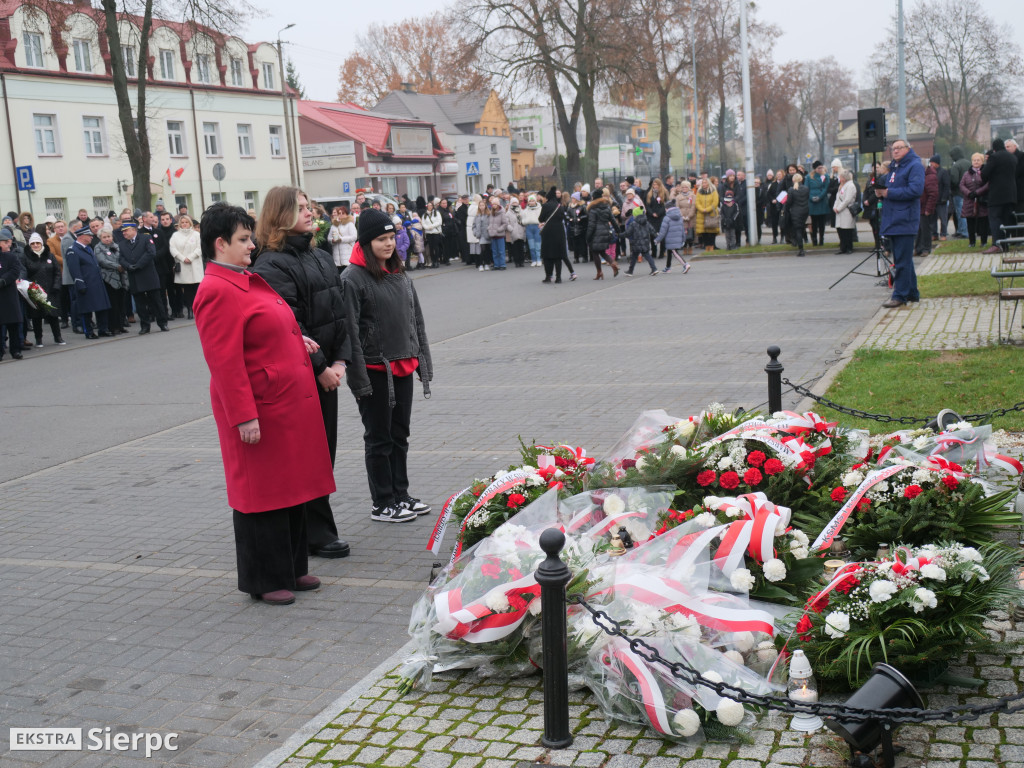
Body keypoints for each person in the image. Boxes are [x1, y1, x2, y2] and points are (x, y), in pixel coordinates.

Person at [193, 203, 334, 606]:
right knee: (262, 495)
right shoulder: (217, 289)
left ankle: (290, 567)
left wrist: (295, 340)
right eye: (243, 239)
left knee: (289, 488)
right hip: (259, 407)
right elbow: (224, 361)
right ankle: (263, 577)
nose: (251, 245)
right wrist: (244, 416)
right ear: (220, 244)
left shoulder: (243, 279)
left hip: (282, 404)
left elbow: (265, 330)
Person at [251, 186, 352, 560]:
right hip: (301, 377)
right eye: (302, 208)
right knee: (308, 454)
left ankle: (313, 527)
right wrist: (322, 367)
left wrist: (341, 362)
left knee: (324, 452)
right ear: (281, 215)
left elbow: (340, 314)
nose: (311, 213)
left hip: (328, 373)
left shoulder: (318, 254)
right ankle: (315, 533)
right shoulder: (271, 264)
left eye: (310, 207)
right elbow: (290, 327)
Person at [339, 208, 433, 523]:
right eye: (381, 239)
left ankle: (401, 495)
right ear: (366, 242)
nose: (389, 244)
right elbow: (350, 331)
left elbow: (415, 320)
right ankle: (383, 501)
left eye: (391, 237)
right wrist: (359, 380)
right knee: (378, 438)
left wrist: (423, 364)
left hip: (402, 368)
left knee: (399, 435)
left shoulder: (400, 274)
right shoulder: (352, 278)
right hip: (376, 373)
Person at [877, 139, 925, 307]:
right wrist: (880, 192)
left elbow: (915, 190)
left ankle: (899, 295)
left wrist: (889, 193)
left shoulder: (914, 166)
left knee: (902, 261)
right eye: (893, 148)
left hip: (905, 219)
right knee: (904, 259)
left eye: (899, 148)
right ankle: (912, 293)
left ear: (908, 148)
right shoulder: (895, 167)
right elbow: (889, 188)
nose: (895, 151)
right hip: (893, 219)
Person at [118, 220, 168, 334]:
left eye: (126, 231)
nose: (124, 233)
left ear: (133, 230)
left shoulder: (145, 238)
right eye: (123, 231)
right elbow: (121, 259)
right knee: (140, 304)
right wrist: (128, 266)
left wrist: (138, 265)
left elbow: (151, 252)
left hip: (148, 274)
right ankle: (145, 326)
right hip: (134, 276)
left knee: (156, 301)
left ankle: (162, 323)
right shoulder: (121, 244)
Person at [66, 221, 112, 337]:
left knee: (101, 307)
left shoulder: (88, 248)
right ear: (82, 236)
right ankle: (89, 331)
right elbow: (74, 270)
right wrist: (80, 284)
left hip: (96, 283)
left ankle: (103, 329)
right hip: (86, 284)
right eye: (89, 235)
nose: (92, 237)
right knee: (86, 310)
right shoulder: (73, 250)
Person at [22, 232, 63, 346]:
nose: (35, 245)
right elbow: (24, 273)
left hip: (50, 290)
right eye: (33, 243)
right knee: (37, 317)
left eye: (38, 243)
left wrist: (56, 285)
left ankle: (58, 337)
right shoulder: (26, 257)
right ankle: (38, 339)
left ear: (41, 243)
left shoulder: (49, 255)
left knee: (53, 315)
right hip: (35, 291)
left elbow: (57, 272)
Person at [980, 137, 1018, 254]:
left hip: (997, 195)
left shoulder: (994, 157)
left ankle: (997, 244)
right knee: (1006, 219)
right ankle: (1005, 245)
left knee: (995, 218)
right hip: (1011, 194)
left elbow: (984, 174)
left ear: (994, 148)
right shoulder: (1012, 157)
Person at [92, 227, 128, 335]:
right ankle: (113, 326)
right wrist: (117, 266)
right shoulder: (98, 248)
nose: (107, 239)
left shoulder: (116, 246)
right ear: (100, 238)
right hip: (108, 278)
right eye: (104, 237)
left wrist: (122, 265)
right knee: (113, 304)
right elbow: (102, 261)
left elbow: (123, 257)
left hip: (121, 277)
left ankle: (121, 325)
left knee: (121, 302)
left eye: (109, 236)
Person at [170, 214, 204, 319]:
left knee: (197, 288)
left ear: (190, 223)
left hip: (195, 264)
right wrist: (183, 258)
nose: (184, 224)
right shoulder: (175, 235)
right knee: (187, 289)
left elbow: (200, 248)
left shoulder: (196, 235)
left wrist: (191, 257)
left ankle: (199, 309)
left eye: (186, 222)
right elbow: (173, 249)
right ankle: (190, 309)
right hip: (183, 264)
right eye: (182, 222)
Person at [0, 229, 24, 359]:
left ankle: (15, 350)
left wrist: (4, 280)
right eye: (5, 242)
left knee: (13, 324)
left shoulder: (11, 256)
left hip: (9, 294)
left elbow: (15, 270)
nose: (8, 244)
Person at [959, 152, 990, 249]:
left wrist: (978, 192)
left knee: (983, 222)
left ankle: (983, 241)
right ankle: (972, 242)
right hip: (969, 201)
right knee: (970, 223)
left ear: (982, 161)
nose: (976, 162)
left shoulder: (985, 172)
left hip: (982, 200)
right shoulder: (966, 173)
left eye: (978, 160)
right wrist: (969, 193)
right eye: (974, 160)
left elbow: (988, 184)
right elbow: (961, 185)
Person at [585, 190, 617, 279]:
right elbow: (613, 220)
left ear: (594, 198)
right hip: (605, 231)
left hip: (596, 233)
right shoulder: (606, 207)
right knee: (602, 252)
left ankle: (599, 272)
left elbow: (591, 224)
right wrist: (618, 230)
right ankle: (613, 263)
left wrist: (588, 236)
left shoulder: (592, 209)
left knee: (595, 252)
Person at [539, 187, 568, 283]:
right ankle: (558, 277)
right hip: (559, 232)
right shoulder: (560, 206)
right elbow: (563, 217)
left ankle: (548, 276)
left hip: (548, 232)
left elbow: (541, 219)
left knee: (547, 255)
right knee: (558, 256)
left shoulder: (545, 206)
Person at [656, 202, 691, 273]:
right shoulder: (679, 216)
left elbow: (663, 231)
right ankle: (668, 267)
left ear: (667, 209)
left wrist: (657, 240)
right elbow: (682, 229)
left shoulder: (667, 218)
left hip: (670, 239)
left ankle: (685, 264)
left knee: (675, 252)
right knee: (669, 252)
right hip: (678, 238)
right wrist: (683, 238)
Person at [624, 205, 658, 276]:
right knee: (647, 255)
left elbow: (628, 233)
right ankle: (654, 268)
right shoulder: (646, 222)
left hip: (636, 243)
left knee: (634, 257)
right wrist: (657, 237)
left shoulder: (633, 223)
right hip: (645, 242)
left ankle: (630, 271)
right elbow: (652, 230)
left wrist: (620, 235)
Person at [916, 157, 939, 257]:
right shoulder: (921, 175)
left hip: (925, 208)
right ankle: (918, 248)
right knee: (918, 230)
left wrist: (928, 209)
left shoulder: (930, 177)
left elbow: (933, 194)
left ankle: (926, 248)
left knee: (925, 229)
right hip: (919, 207)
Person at [833, 170, 858, 255]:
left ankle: (849, 247)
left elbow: (847, 199)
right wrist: (835, 207)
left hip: (846, 210)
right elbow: (838, 198)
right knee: (841, 230)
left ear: (844, 178)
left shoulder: (850, 186)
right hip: (840, 211)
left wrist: (839, 208)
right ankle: (843, 247)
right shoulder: (842, 186)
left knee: (847, 230)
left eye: (840, 177)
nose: (839, 179)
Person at [785, 173, 810, 257]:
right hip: (805, 211)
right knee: (802, 228)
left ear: (793, 180)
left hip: (796, 211)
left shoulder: (791, 189)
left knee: (798, 230)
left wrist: (786, 209)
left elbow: (789, 202)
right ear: (801, 179)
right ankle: (800, 245)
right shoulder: (806, 188)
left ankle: (801, 249)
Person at [949, 146, 971, 238]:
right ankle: (961, 230)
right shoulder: (969, 163)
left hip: (958, 193)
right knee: (965, 212)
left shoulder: (956, 165)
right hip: (968, 192)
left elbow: (954, 180)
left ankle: (963, 232)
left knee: (960, 212)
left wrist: (952, 188)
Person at [807, 161, 830, 247]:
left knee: (821, 222)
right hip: (812, 203)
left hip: (822, 202)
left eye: (821, 167)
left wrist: (819, 197)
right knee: (813, 223)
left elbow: (825, 188)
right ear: (815, 169)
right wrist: (811, 197)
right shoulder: (809, 177)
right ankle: (814, 239)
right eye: (818, 168)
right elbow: (807, 189)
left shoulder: (825, 176)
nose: (820, 169)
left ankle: (821, 239)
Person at [328, 207, 356, 274]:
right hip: (337, 259)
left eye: (343, 213)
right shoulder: (334, 225)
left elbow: (354, 237)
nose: (341, 215)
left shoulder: (350, 224)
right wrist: (333, 241)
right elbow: (329, 238)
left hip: (348, 256)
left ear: (346, 214)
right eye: (339, 213)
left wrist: (341, 239)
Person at [695, 177, 720, 252]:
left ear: (708, 183)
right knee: (704, 232)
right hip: (701, 214)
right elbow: (697, 202)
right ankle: (707, 247)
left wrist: (708, 209)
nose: (704, 184)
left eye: (705, 183)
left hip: (711, 213)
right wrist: (702, 209)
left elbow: (715, 202)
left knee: (711, 231)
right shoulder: (699, 192)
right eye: (703, 183)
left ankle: (711, 246)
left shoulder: (713, 191)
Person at [931, 155, 951, 242]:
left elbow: (947, 185)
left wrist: (944, 198)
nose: (931, 164)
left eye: (932, 162)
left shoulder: (943, 172)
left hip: (941, 200)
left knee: (943, 218)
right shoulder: (931, 172)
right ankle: (934, 234)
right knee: (932, 219)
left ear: (936, 163)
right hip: (933, 200)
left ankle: (943, 234)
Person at [486, 198, 509, 269]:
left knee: (501, 251)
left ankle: (502, 264)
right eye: (493, 204)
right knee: (495, 251)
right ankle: (496, 264)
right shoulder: (491, 213)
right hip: (493, 235)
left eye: (496, 204)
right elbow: (489, 222)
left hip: (500, 235)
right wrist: (489, 228)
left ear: (498, 204)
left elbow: (505, 223)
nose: (494, 205)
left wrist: (499, 229)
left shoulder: (502, 212)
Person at [521, 194, 542, 267]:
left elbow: (542, 219)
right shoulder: (525, 211)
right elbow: (522, 220)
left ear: (535, 201)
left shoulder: (540, 209)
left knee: (538, 245)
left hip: (537, 227)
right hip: (529, 228)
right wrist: (525, 222)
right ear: (528, 202)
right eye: (530, 201)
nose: (532, 202)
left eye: (533, 200)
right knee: (531, 245)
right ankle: (534, 260)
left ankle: (539, 259)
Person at [505, 196, 526, 268]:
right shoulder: (508, 213)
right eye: (513, 202)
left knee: (521, 248)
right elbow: (506, 223)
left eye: (516, 202)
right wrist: (511, 229)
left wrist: (524, 227)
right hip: (513, 232)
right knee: (515, 248)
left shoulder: (521, 211)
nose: (515, 204)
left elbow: (524, 220)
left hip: (521, 231)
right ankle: (517, 262)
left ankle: (521, 261)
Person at [422, 200, 443, 268]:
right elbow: (423, 223)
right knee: (431, 248)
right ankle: (433, 261)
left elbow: (439, 221)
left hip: (436, 232)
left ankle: (437, 261)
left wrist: (432, 226)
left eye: (431, 205)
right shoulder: (424, 214)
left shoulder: (436, 213)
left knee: (436, 247)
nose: (429, 207)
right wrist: (427, 227)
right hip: (429, 233)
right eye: (428, 206)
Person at [472, 199, 491, 271]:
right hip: (480, 234)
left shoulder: (489, 214)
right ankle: (481, 264)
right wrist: (475, 232)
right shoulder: (477, 215)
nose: (481, 207)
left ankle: (486, 263)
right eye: (480, 205)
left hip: (487, 234)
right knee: (482, 249)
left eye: (483, 205)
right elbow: (473, 225)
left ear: (485, 206)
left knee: (487, 249)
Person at [1006, 139, 1024, 216]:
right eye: (1005, 147)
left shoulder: (1021, 156)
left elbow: (1018, 171)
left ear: (1015, 146)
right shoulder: (1006, 158)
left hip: (1020, 190)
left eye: (1008, 146)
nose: (1006, 148)